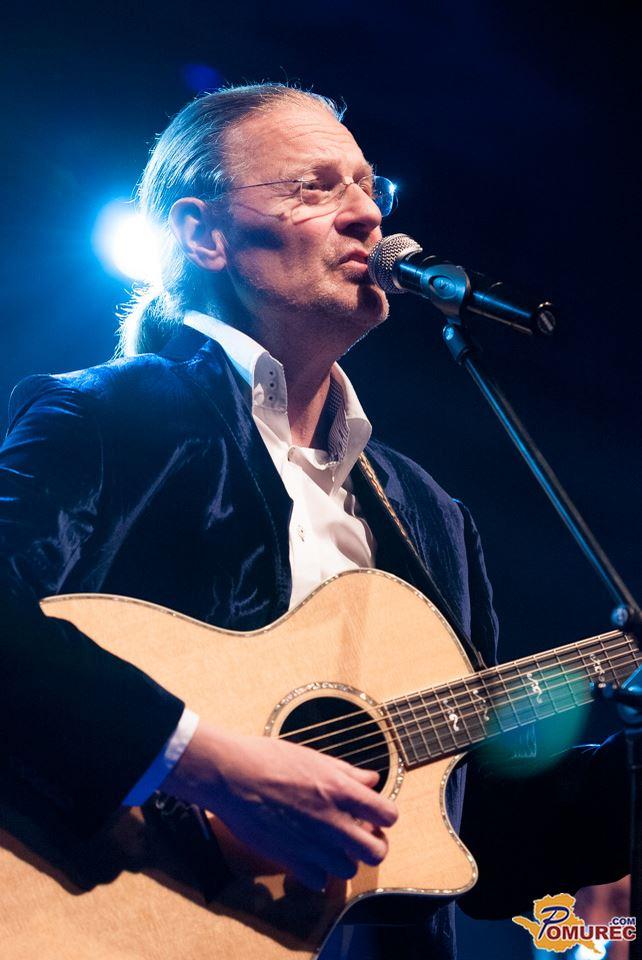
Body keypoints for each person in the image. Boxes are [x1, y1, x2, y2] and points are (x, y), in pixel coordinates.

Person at [0, 83, 629, 959]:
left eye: (370, 187)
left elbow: (480, 824)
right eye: (316, 186)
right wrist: (208, 764)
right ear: (205, 235)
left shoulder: (430, 516)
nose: (368, 215)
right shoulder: (109, 420)